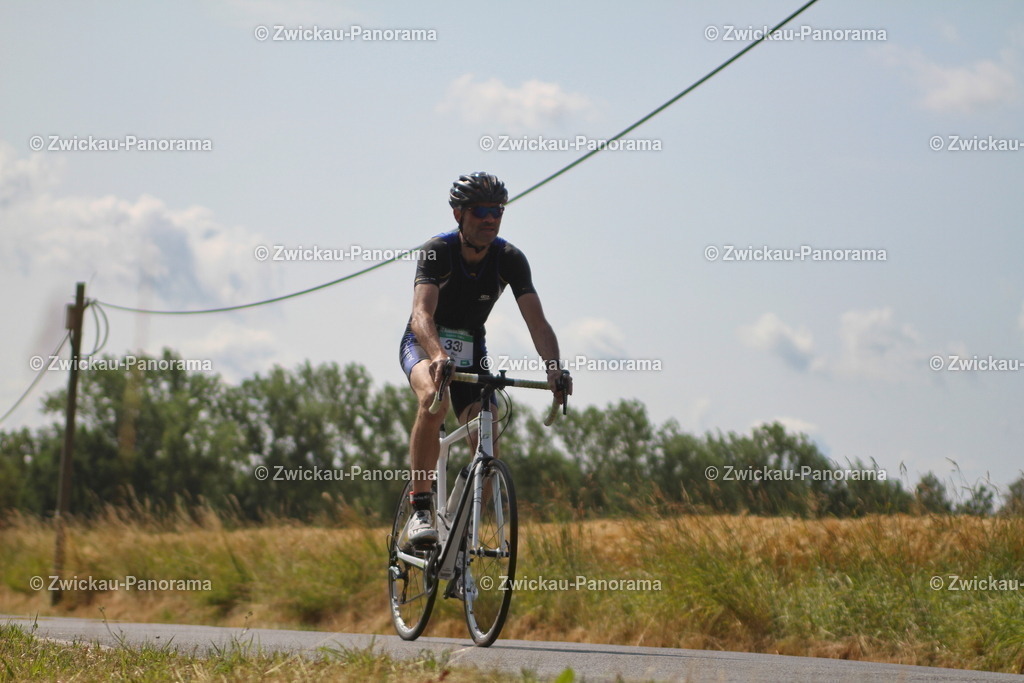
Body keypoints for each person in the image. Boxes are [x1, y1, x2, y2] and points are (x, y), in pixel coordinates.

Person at [398, 171, 571, 547]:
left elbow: (537, 322)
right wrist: (439, 353)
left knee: (488, 434)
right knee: (433, 399)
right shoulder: (437, 251)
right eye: (480, 211)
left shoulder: (509, 258)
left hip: (472, 349)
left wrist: (554, 368)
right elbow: (421, 315)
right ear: (458, 214)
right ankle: (421, 509)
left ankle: (460, 533)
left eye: (497, 210)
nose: (490, 218)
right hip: (425, 344)